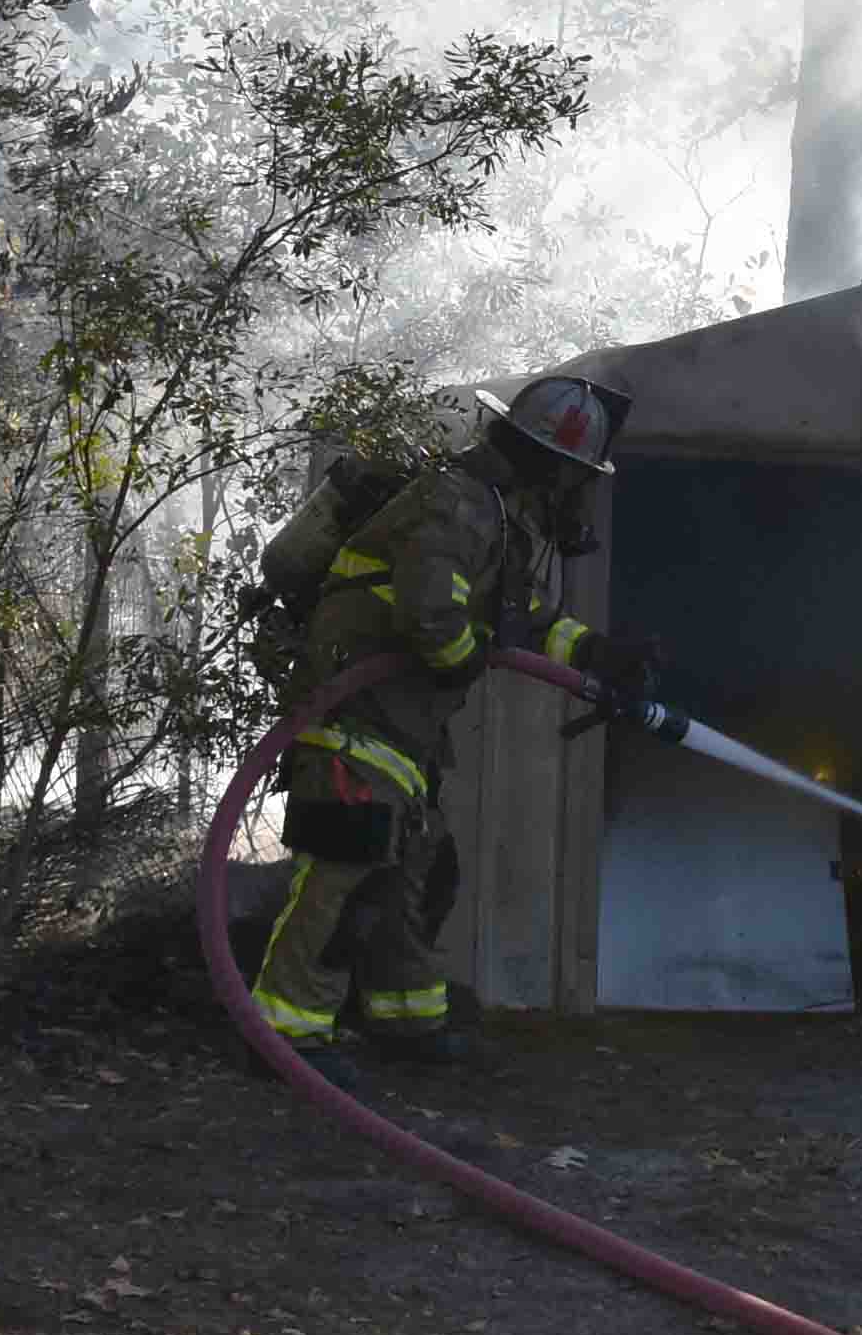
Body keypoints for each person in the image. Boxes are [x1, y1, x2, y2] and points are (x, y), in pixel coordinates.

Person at [245, 375, 660, 1079]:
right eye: (577, 477)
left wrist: (595, 653)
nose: (576, 494)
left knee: (414, 872)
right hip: (354, 716)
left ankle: (406, 1021)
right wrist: (464, 660)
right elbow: (432, 617)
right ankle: (284, 1037)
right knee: (342, 868)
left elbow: (520, 617)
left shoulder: (495, 516)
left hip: (403, 727)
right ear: (551, 466)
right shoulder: (456, 503)